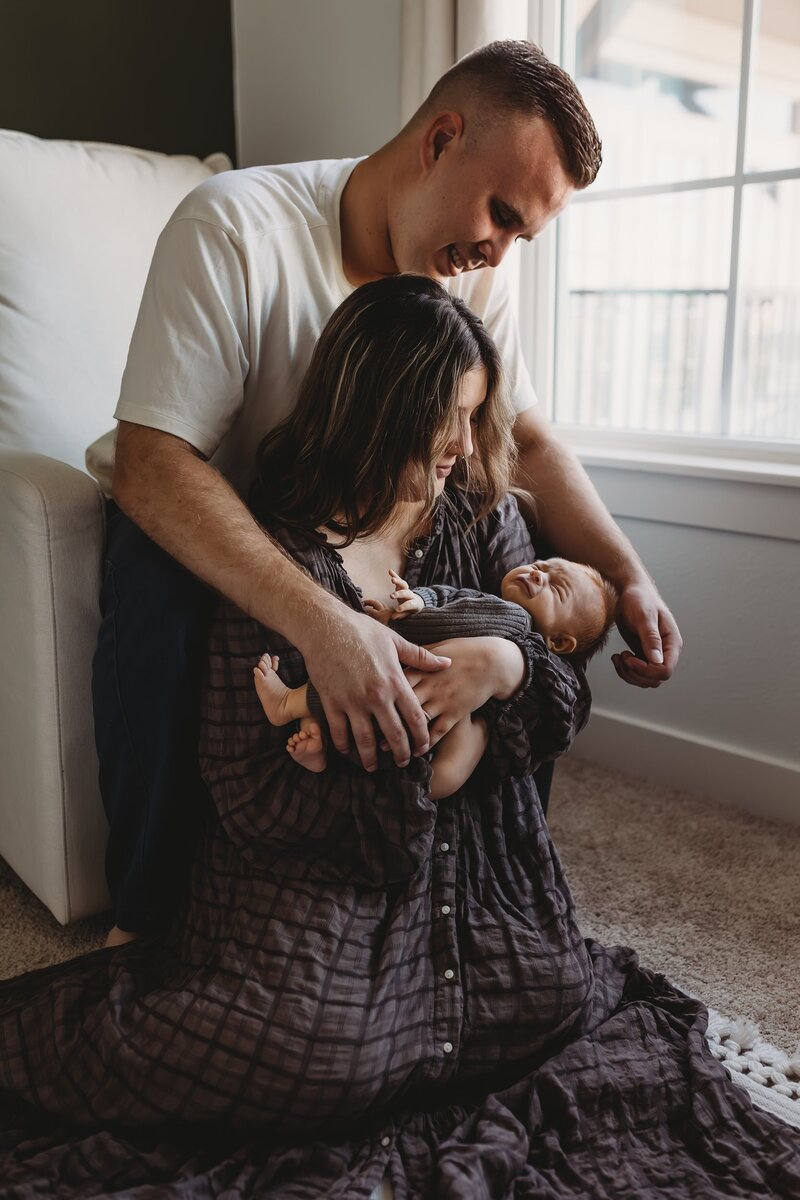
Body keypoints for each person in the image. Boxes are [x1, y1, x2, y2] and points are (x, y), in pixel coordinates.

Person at [1, 275, 794, 1199]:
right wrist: (398, 770)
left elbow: (563, 701)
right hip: (323, 879)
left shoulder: (483, 519)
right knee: (319, 1059)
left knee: (551, 998)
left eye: (474, 416)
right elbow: (247, 787)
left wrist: (503, 671)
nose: (464, 444)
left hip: (487, 873)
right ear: (379, 406)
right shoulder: (280, 559)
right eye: (445, 419)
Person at [86, 39, 682, 947]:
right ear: (441, 138)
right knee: (150, 568)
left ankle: (496, 894)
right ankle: (149, 913)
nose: (500, 249)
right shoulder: (237, 227)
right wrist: (327, 625)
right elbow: (151, 462)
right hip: (240, 518)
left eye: (523, 235)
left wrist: (622, 570)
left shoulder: (476, 268)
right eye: (501, 214)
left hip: (380, 531)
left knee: (513, 542)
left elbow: (522, 435)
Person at [253, 556, 619, 796]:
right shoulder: (485, 599)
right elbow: (450, 598)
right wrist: (419, 599)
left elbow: (452, 616)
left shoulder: (516, 619)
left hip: (424, 694)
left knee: (363, 681)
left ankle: (289, 703)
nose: (538, 574)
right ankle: (428, 784)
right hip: (428, 711)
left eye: (555, 588)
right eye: (542, 565)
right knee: (452, 734)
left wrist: (415, 614)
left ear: (558, 641)